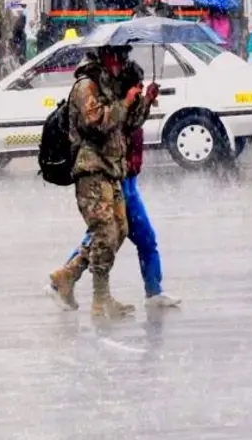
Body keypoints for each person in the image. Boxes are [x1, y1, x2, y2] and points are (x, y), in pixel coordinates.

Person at [51, 59, 180, 311]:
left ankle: (70, 275)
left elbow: (127, 125)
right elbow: (100, 124)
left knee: (115, 232)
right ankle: (100, 297)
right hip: (95, 171)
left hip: (114, 173)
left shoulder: (111, 90)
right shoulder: (88, 87)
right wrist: (127, 102)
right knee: (108, 233)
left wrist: (143, 102)